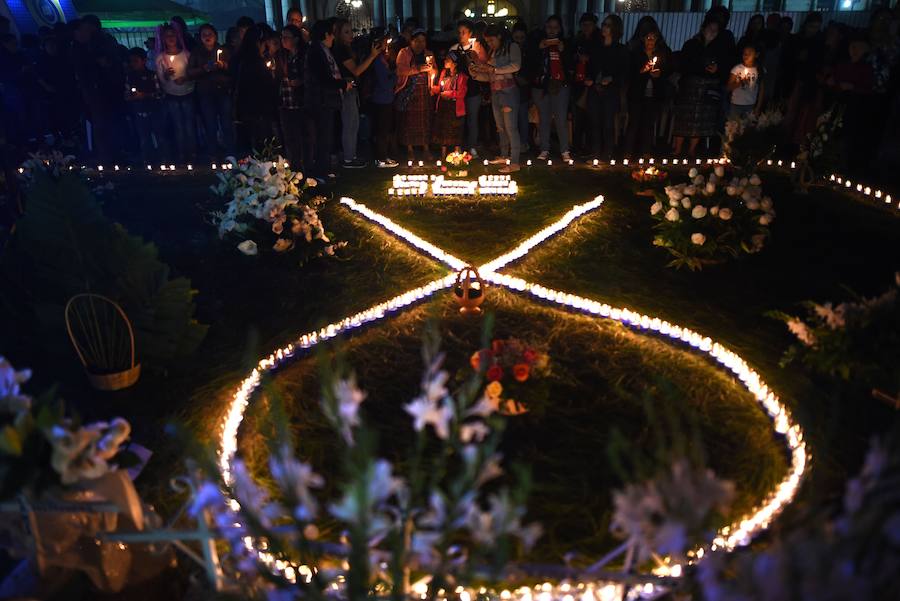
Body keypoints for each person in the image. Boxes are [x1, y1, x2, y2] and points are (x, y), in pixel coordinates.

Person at [672, 17, 729, 158]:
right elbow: (683, 63)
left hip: (708, 87)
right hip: (690, 86)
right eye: (710, 29)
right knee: (685, 118)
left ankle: (692, 149)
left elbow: (724, 67)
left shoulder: (719, 48)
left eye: (716, 30)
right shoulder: (692, 44)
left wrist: (716, 69)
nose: (712, 32)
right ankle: (677, 148)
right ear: (703, 29)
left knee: (701, 121)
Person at [333, 18, 384, 168]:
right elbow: (356, 70)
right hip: (347, 89)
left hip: (351, 88)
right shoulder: (341, 50)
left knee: (353, 123)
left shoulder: (349, 48)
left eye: (352, 31)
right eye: (346, 32)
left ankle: (351, 154)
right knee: (350, 123)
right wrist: (372, 56)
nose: (351, 35)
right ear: (338, 34)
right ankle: (349, 158)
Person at [473, 23, 522, 173]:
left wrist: (494, 69)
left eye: (491, 40)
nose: (489, 44)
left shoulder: (512, 47)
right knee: (500, 127)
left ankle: (514, 162)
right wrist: (476, 73)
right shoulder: (493, 51)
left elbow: (516, 66)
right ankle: (504, 154)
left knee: (511, 128)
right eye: (487, 41)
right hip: (495, 92)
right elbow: (490, 76)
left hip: (508, 92)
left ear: (499, 36)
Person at [304, 18, 346, 181]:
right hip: (320, 102)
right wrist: (342, 83)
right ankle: (320, 173)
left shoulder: (320, 50)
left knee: (325, 137)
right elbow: (323, 78)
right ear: (325, 34)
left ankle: (323, 170)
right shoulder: (316, 51)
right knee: (323, 138)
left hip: (323, 100)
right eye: (332, 34)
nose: (333, 38)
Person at [530, 15, 573, 162]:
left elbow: (571, 66)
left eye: (555, 27)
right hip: (541, 86)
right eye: (549, 27)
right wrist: (539, 48)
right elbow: (530, 63)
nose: (552, 31)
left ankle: (564, 150)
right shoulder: (538, 42)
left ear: (560, 29)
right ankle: (544, 149)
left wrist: (563, 51)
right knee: (544, 119)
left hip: (560, 85)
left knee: (561, 118)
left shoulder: (566, 43)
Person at [188, 24, 234, 157]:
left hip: (223, 91)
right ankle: (213, 154)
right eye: (204, 35)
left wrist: (224, 65)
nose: (207, 37)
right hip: (206, 93)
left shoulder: (223, 50)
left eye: (210, 34)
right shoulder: (196, 52)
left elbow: (232, 69)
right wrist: (204, 69)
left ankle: (230, 154)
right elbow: (190, 72)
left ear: (215, 35)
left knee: (226, 124)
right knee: (210, 125)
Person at [586, 14, 627, 161]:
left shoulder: (621, 50)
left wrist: (612, 78)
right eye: (604, 24)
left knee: (608, 123)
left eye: (608, 25)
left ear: (615, 29)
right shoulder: (596, 47)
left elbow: (625, 72)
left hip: (610, 91)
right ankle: (596, 153)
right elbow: (590, 67)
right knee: (595, 123)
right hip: (595, 89)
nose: (604, 27)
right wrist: (589, 78)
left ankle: (608, 153)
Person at [624, 27, 669, 158]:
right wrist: (643, 70)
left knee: (648, 124)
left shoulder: (661, 55)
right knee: (634, 123)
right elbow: (631, 74)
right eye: (648, 38)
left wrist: (659, 75)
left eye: (653, 38)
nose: (650, 41)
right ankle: (627, 152)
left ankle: (646, 152)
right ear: (643, 39)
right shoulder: (636, 54)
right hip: (637, 94)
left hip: (653, 95)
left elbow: (666, 72)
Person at [234, 25, 279, 153]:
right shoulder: (255, 63)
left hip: (248, 110)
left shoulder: (243, 60)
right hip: (258, 111)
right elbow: (265, 88)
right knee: (262, 146)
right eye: (267, 42)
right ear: (260, 43)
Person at [155, 23, 196, 162]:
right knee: (178, 125)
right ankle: (182, 153)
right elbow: (161, 79)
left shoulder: (187, 55)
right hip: (171, 95)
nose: (170, 38)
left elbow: (193, 73)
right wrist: (166, 75)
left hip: (188, 93)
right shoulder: (161, 58)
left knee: (189, 125)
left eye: (173, 35)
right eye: (167, 36)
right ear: (163, 39)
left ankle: (193, 153)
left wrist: (186, 78)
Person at [395, 29, 436, 161]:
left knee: (424, 120)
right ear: (411, 41)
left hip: (424, 91)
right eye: (417, 41)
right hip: (408, 91)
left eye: (423, 41)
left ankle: (425, 148)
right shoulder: (404, 53)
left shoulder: (429, 54)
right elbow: (401, 70)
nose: (420, 44)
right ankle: (410, 149)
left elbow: (434, 70)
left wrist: (432, 71)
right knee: (409, 121)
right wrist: (418, 69)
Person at [450, 19, 488, 158]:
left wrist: (475, 58)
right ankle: (457, 146)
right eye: (459, 32)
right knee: (459, 119)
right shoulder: (454, 48)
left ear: (470, 33)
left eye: (464, 32)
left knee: (473, 118)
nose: (461, 35)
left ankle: (472, 146)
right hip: (459, 89)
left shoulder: (477, 48)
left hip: (473, 88)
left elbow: (484, 66)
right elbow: (449, 68)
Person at [124, 47, 169, 163]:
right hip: (139, 112)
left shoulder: (152, 75)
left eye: (136, 61)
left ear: (144, 60)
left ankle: (164, 159)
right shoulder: (130, 77)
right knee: (144, 138)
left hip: (155, 111)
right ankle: (147, 161)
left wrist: (145, 95)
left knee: (160, 136)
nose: (133, 64)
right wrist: (132, 96)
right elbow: (127, 95)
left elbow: (160, 94)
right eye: (131, 61)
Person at [278, 24, 308, 170]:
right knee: (290, 137)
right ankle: (294, 166)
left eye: (286, 37)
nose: (283, 40)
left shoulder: (303, 56)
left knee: (302, 136)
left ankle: (304, 166)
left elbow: (310, 76)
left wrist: (300, 81)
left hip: (300, 102)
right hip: (286, 101)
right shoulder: (284, 55)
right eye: (282, 37)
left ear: (296, 39)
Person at [572, 12, 600, 156]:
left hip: (593, 82)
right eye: (583, 25)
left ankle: (590, 147)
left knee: (591, 118)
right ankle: (576, 146)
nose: (586, 27)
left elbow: (601, 61)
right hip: (579, 81)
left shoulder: (599, 41)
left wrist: (590, 59)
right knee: (579, 117)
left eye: (589, 25)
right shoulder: (578, 40)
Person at [369, 29, 398, 168]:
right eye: (385, 43)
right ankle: (381, 158)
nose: (387, 46)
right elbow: (385, 82)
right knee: (382, 130)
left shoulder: (382, 59)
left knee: (384, 129)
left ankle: (384, 156)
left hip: (385, 98)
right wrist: (395, 75)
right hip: (382, 99)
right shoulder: (377, 61)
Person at [432, 51, 467, 158]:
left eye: (448, 59)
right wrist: (434, 88)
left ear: (455, 63)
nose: (445, 60)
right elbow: (441, 88)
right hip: (443, 106)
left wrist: (448, 93)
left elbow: (461, 92)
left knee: (456, 131)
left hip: (454, 107)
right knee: (443, 131)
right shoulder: (444, 73)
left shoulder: (461, 76)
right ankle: (443, 156)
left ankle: (457, 156)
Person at [511, 21, 532, 152]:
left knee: (523, 116)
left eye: (521, 38)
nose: (519, 41)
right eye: (516, 38)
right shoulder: (510, 49)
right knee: (511, 119)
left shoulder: (528, 51)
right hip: (510, 88)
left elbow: (530, 71)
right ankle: (513, 144)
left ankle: (523, 143)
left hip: (523, 89)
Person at [727, 44, 763, 119]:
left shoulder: (759, 70)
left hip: (750, 105)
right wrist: (740, 83)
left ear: (756, 55)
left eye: (749, 53)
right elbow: (728, 87)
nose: (746, 55)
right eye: (744, 53)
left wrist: (758, 107)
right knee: (733, 128)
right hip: (736, 104)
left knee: (747, 128)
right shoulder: (736, 69)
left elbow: (761, 90)